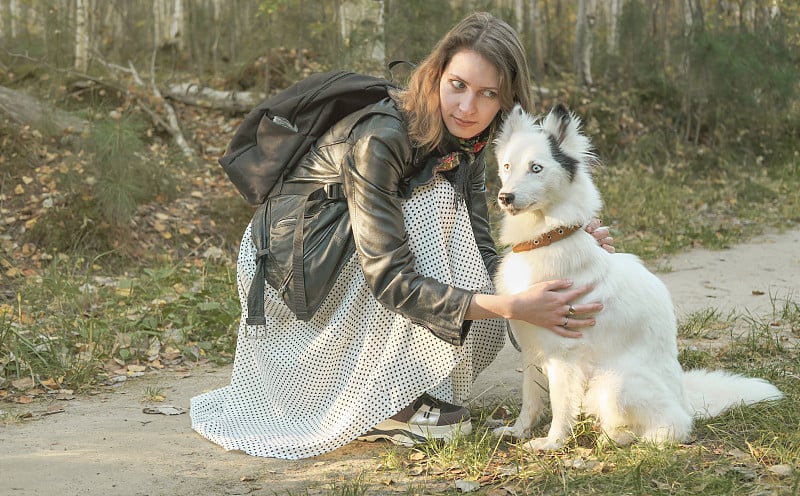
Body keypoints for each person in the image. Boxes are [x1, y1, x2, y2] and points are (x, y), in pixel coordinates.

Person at [190, 11, 614, 460]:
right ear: (436, 77)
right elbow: (390, 276)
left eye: (488, 94)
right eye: (458, 86)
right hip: (295, 263)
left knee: (459, 234)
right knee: (429, 207)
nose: (468, 108)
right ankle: (388, 404)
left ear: (505, 102)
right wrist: (509, 306)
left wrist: (558, 243)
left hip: (344, 257)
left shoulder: (467, 143)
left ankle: (403, 387)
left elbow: (484, 247)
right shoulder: (383, 138)